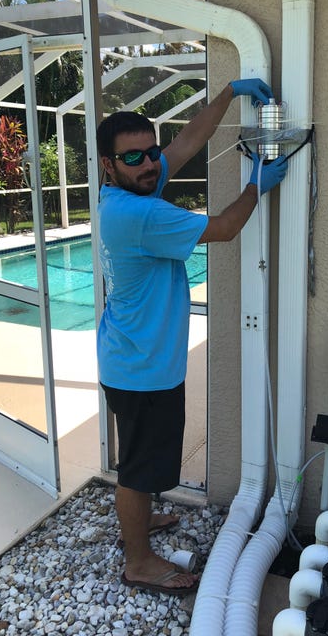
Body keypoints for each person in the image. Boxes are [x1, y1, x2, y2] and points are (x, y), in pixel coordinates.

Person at [95, 78, 288, 596]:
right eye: (132, 158)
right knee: (138, 470)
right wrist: (257, 184)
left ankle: (142, 520)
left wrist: (227, 91)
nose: (150, 164)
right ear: (108, 166)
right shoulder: (140, 213)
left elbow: (184, 144)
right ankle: (138, 561)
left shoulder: (120, 193)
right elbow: (224, 228)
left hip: (130, 355)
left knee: (144, 458)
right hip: (142, 368)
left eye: (149, 153)